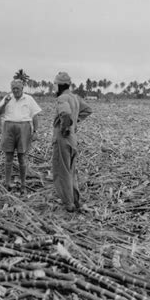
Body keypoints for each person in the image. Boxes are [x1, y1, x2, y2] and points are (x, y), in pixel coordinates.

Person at [52, 72, 92, 212]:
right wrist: (75, 123)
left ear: (59, 85)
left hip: (63, 138)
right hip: (73, 138)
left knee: (62, 171)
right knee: (71, 171)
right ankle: (75, 200)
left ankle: (68, 204)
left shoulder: (62, 98)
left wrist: (65, 128)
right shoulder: (75, 97)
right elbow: (87, 110)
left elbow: (65, 114)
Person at [0, 79, 42, 193]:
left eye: (17, 88)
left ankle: (23, 184)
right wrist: (5, 103)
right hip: (9, 128)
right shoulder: (7, 98)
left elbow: (35, 116)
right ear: (11, 89)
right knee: (8, 158)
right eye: (13, 88)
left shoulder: (29, 99)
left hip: (24, 128)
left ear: (22, 89)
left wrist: (35, 131)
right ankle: (7, 183)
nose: (15, 90)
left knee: (22, 158)